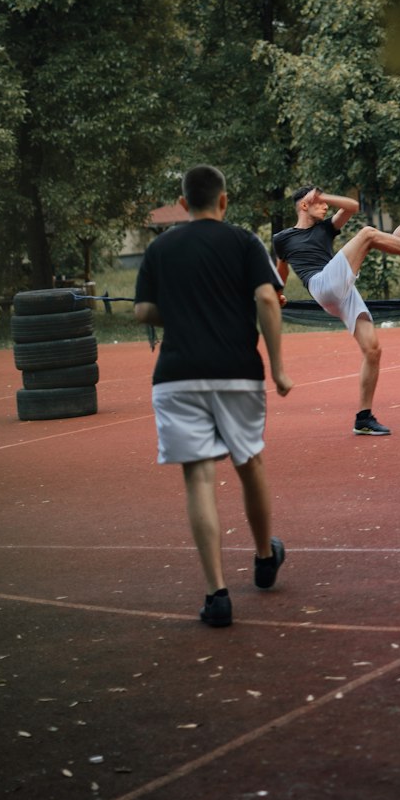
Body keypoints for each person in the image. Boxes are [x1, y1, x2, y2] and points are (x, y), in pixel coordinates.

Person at [133, 166, 293, 628]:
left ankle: (216, 594)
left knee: (199, 479)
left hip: (178, 375)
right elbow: (266, 299)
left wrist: (182, 314)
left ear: (183, 205)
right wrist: (278, 367)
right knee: (249, 462)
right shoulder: (244, 243)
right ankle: (265, 558)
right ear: (223, 201)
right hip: (236, 371)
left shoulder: (160, 248)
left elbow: (144, 310)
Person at [273, 186, 400, 436]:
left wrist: (323, 196)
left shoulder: (326, 228)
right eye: (318, 202)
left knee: (373, 350)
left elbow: (352, 206)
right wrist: (277, 295)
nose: (325, 206)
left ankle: (363, 418)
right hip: (321, 285)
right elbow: (280, 270)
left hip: (342, 290)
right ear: (304, 205)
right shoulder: (283, 238)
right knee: (368, 234)